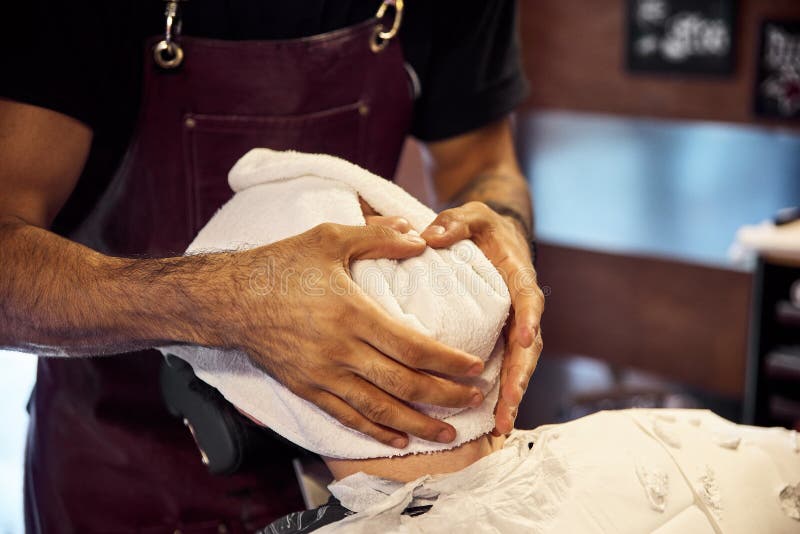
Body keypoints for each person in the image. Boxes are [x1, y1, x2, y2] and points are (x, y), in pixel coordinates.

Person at [0, 1, 544, 532]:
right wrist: (226, 300)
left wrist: (505, 228)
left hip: (334, 472)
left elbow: (482, 161)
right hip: (114, 454)